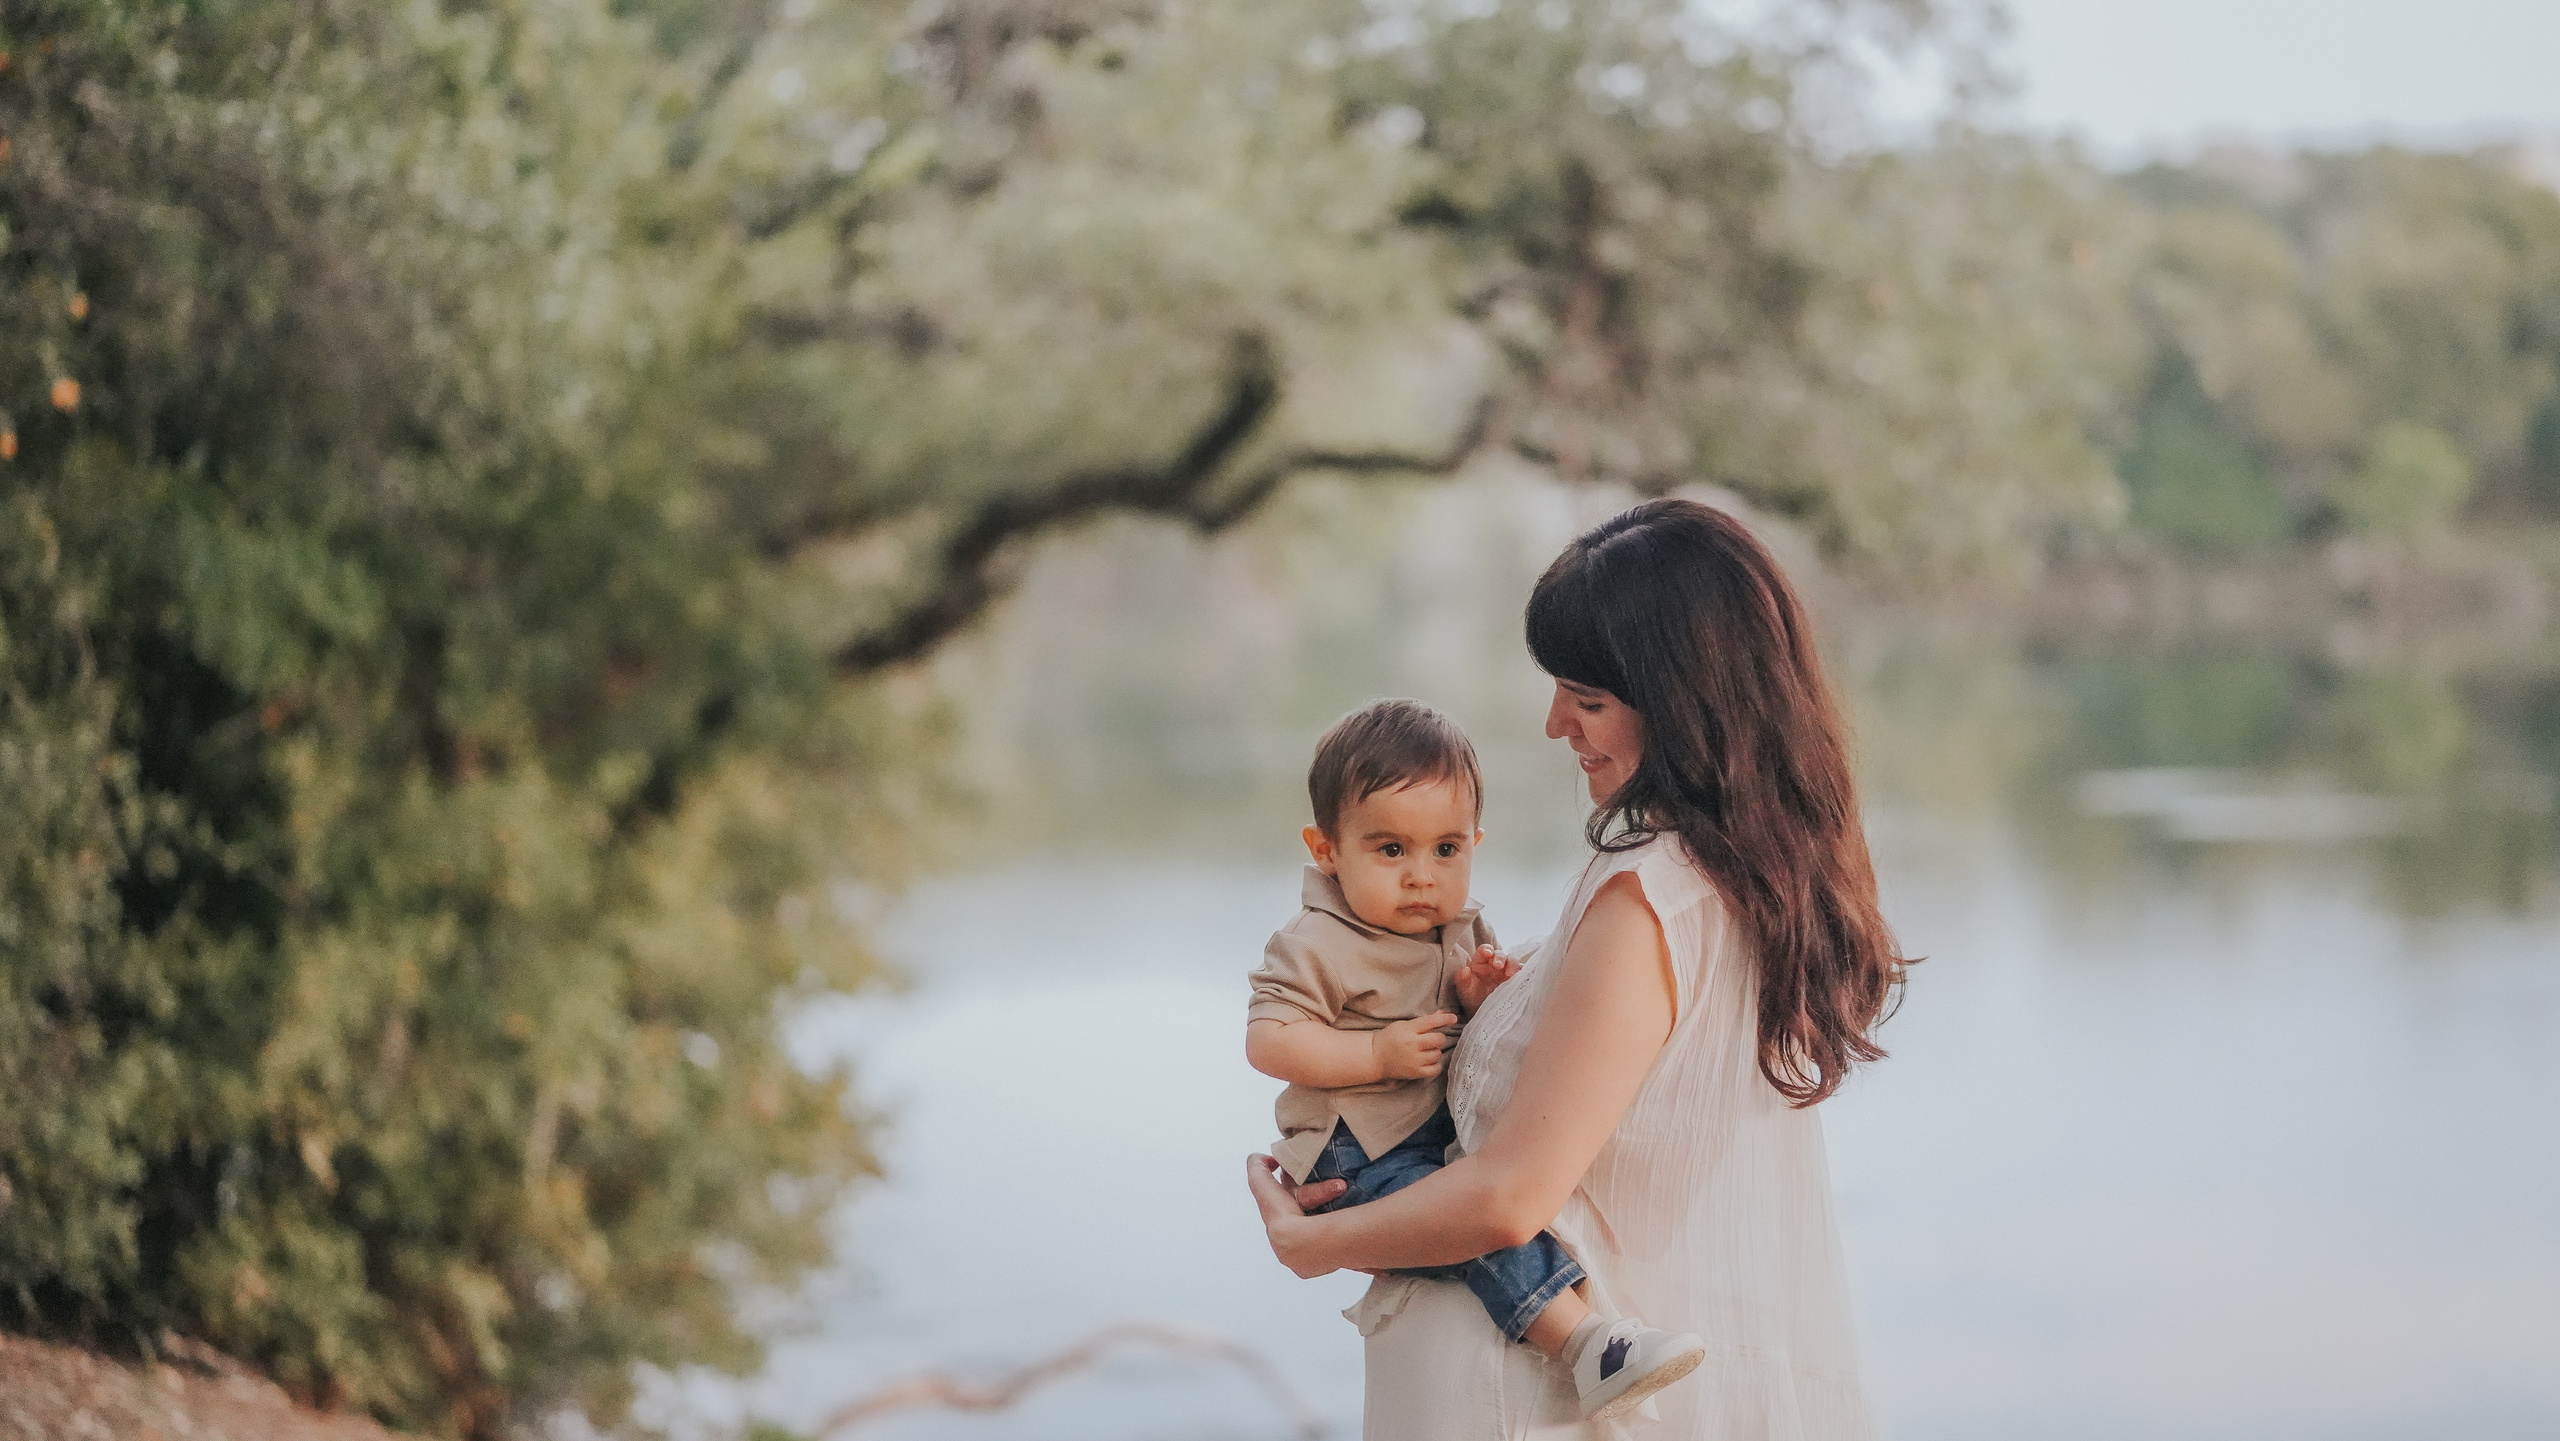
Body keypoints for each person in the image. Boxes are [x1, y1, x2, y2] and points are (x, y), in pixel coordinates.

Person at [1248, 499, 1909, 1439]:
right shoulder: (1751, 883)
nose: (1558, 723)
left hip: (1530, 1405)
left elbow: (1510, 1193)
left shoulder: (1649, 900)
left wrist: (1310, 1240)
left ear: (1686, 703)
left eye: (1588, 699)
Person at [1246, 700, 1707, 1422]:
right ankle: (1585, 1344)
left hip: (1422, 1134)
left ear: (1475, 843)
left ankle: (1586, 1330)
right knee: (1466, 1224)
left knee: (1471, 1204)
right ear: (1327, 848)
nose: (1422, 876)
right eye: (1390, 850)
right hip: (1354, 1150)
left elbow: (1465, 1039)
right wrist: (1375, 1050)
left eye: (1447, 849)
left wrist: (1475, 995)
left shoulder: (1457, 925)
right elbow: (1270, 1038)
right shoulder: (1316, 940)